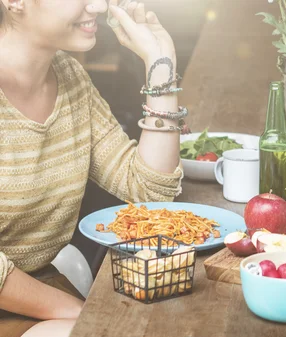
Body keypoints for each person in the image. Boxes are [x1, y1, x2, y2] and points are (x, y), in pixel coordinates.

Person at [0, 0, 187, 336]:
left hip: (41, 295)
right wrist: (85, 317)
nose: (99, 5)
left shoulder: (70, 78)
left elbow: (149, 191)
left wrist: (162, 62)